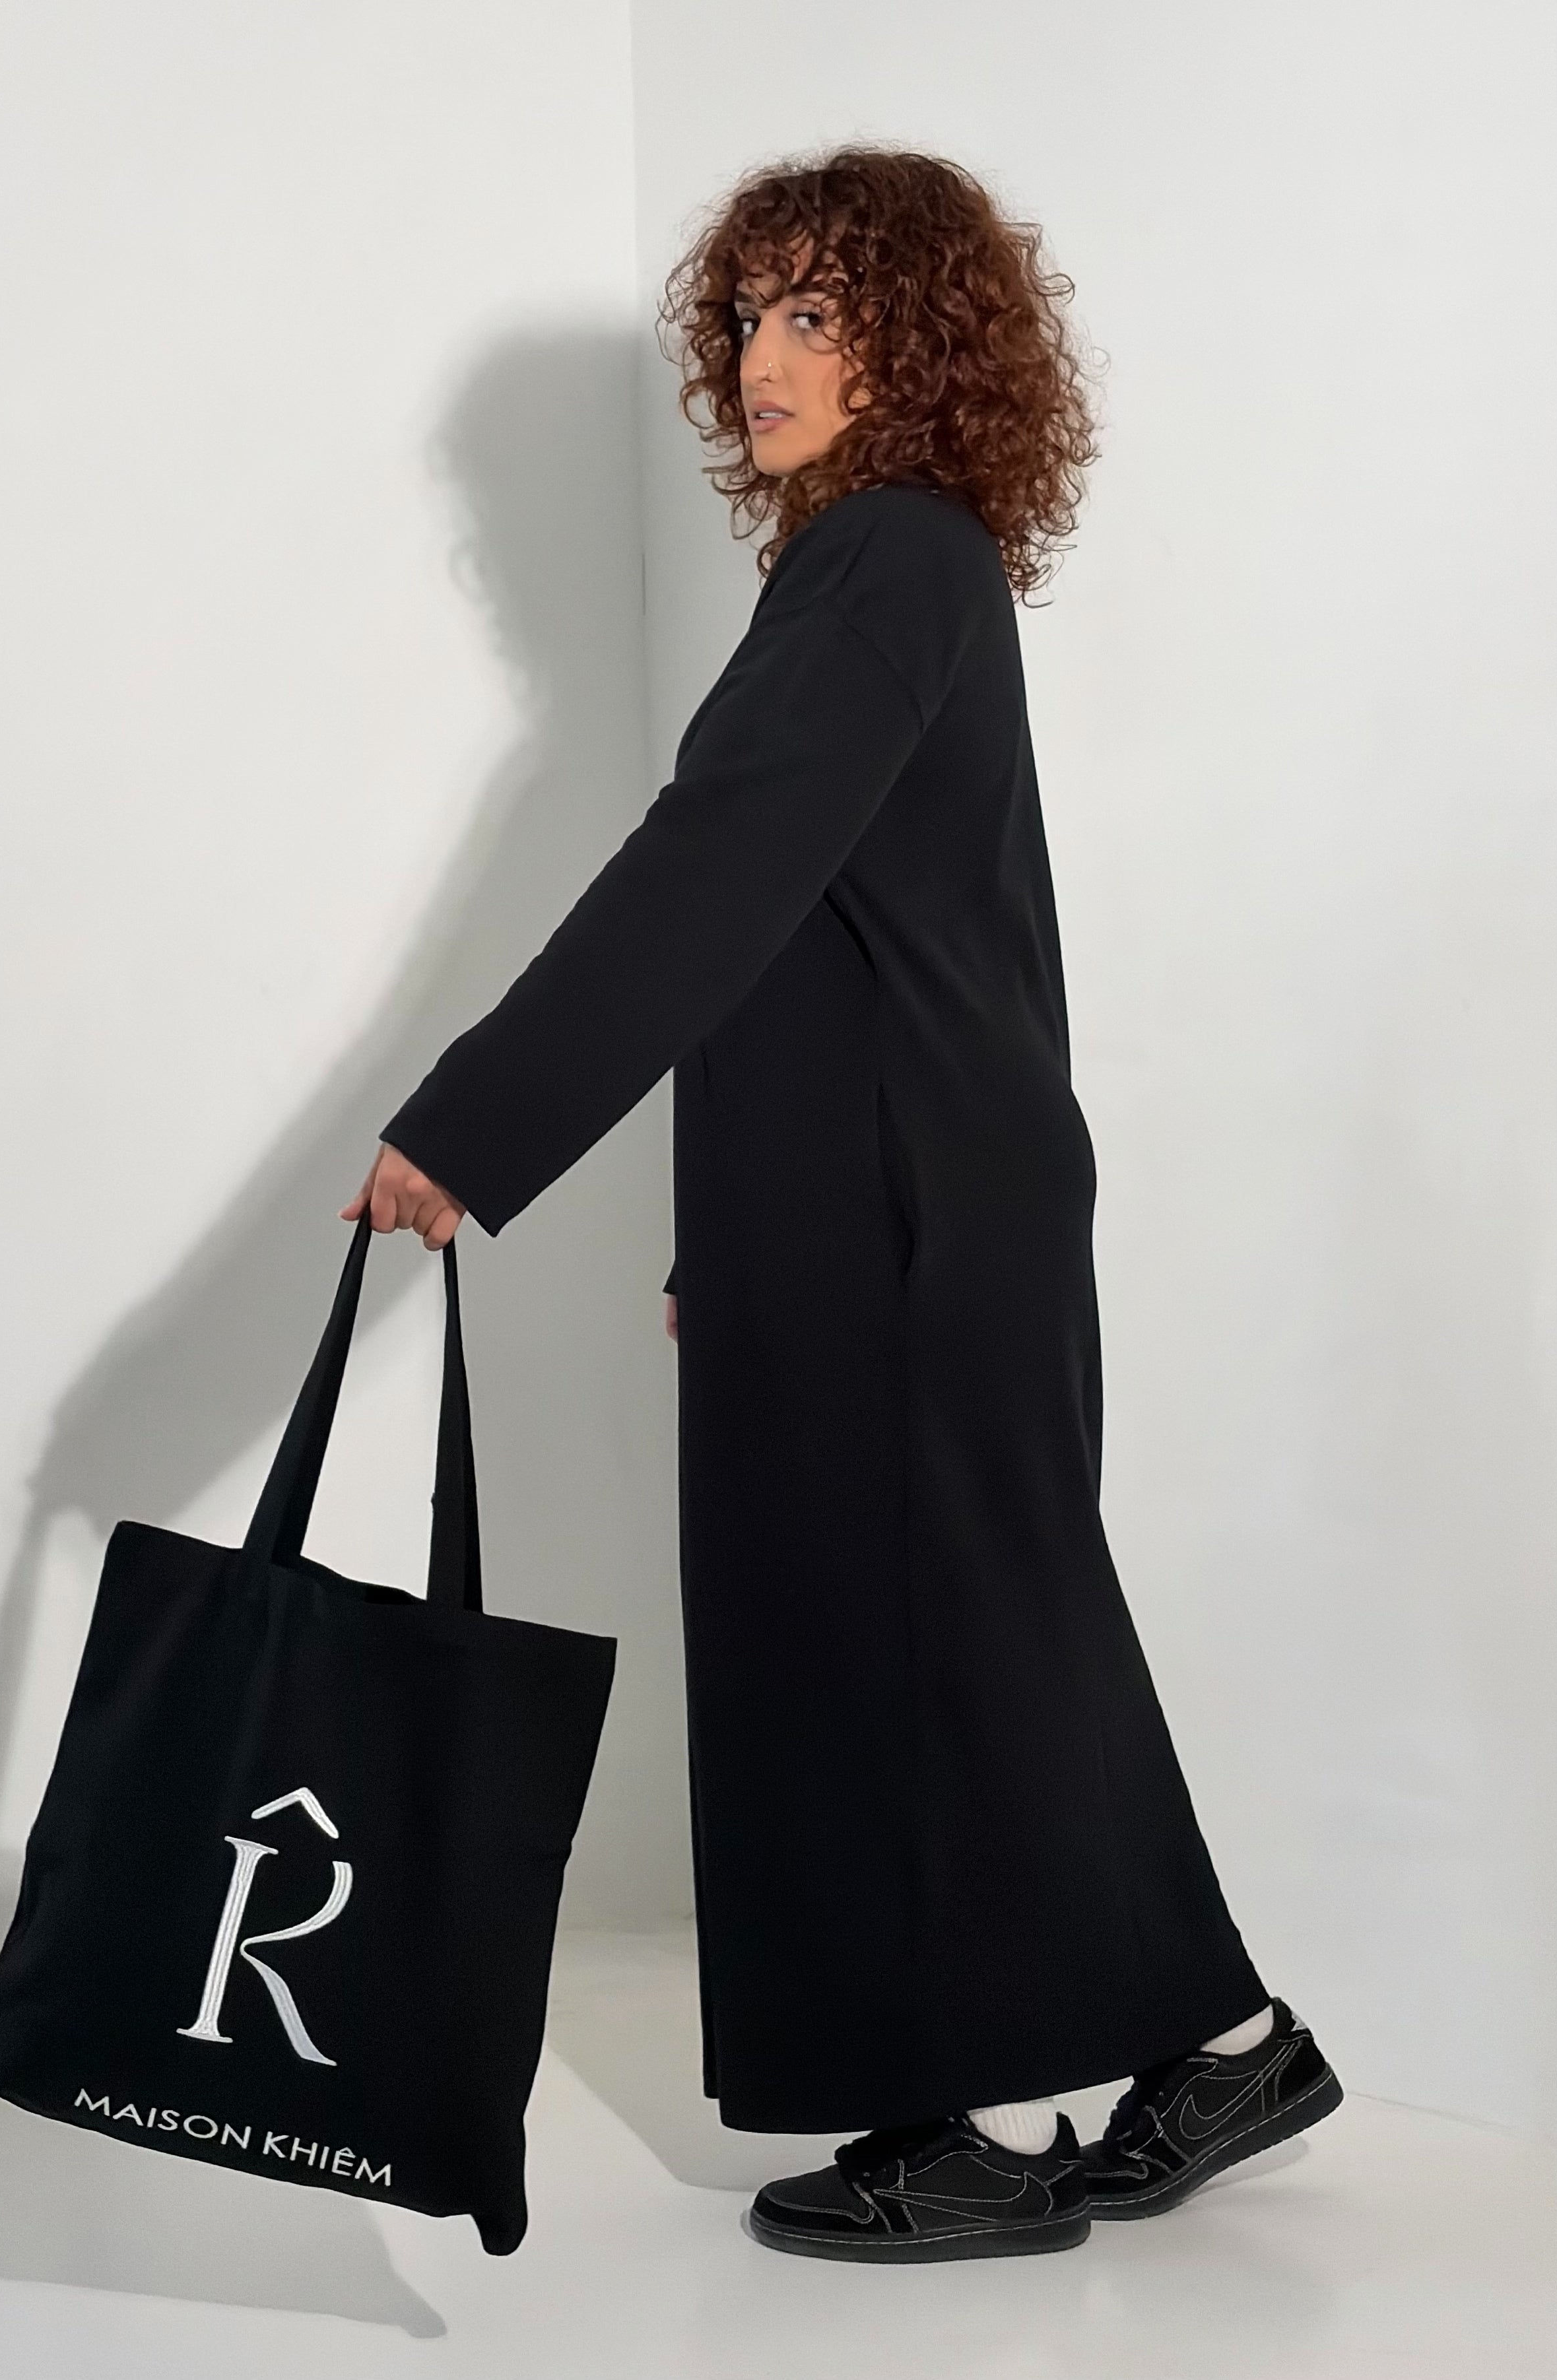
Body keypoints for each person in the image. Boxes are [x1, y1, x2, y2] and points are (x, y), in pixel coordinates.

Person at [343, 145, 1341, 2262]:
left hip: (904, 1211)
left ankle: (949, 2131)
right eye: (749, 315)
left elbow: (711, 874)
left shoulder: (886, 555)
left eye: (818, 314)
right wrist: (720, 1236)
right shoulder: (892, 566)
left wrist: (470, 1132)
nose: (761, 356)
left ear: (922, 343)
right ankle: (1220, 2045)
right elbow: (851, 937)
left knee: (890, 1652)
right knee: (994, 1632)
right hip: (918, 1196)